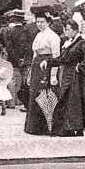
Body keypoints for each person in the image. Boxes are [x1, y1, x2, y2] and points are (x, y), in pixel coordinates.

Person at [41, 19, 85, 137]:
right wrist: (48, 61)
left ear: (75, 30)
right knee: (67, 101)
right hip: (67, 75)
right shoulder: (69, 43)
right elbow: (62, 59)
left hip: (77, 78)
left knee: (73, 102)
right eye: (65, 29)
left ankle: (73, 128)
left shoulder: (82, 43)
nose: (66, 32)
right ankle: (68, 128)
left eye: (68, 29)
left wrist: (79, 67)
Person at [23, 7, 61, 135]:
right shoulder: (38, 35)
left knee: (45, 94)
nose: (39, 24)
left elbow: (56, 56)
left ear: (48, 22)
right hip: (36, 66)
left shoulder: (53, 36)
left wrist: (54, 75)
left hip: (47, 66)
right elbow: (34, 54)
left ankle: (46, 126)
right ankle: (33, 127)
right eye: (37, 22)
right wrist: (30, 73)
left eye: (42, 22)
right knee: (34, 94)